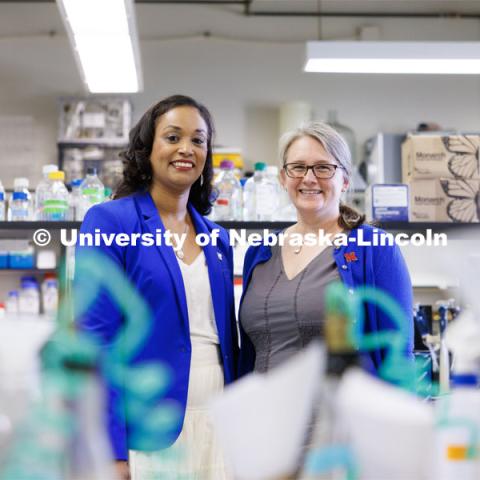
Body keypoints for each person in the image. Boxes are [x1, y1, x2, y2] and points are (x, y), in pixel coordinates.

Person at [77, 95, 237, 480]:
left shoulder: (217, 239)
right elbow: (95, 343)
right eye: (173, 137)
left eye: (198, 140)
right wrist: (111, 449)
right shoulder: (110, 222)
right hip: (147, 427)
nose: (186, 149)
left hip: (222, 422)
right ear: (147, 149)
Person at [238, 121, 413, 376]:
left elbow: (399, 354)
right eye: (298, 167)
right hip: (263, 413)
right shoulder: (260, 251)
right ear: (283, 178)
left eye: (323, 168)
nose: (309, 178)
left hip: (338, 414)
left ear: (344, 180)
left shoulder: (373, 247)